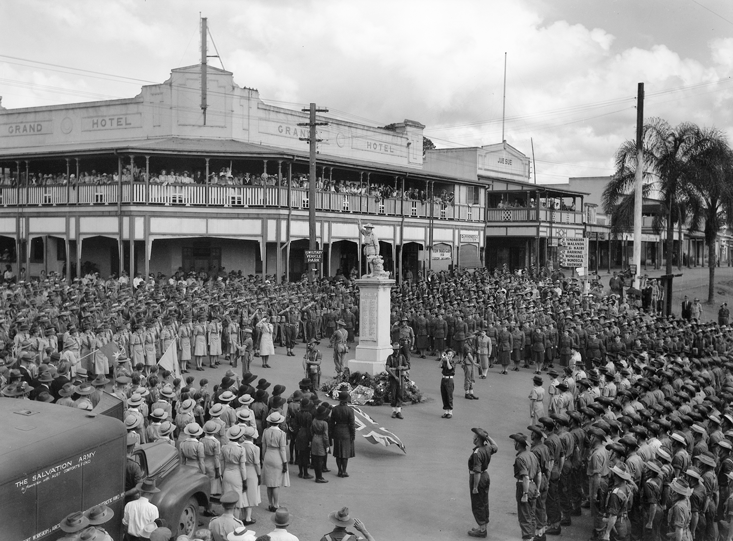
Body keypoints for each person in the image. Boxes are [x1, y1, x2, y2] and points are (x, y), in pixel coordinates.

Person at [467, 427, 499, 538]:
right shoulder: (487, 448)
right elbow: (496, 446)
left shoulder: (477, 452)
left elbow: (477, 471)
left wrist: (475, 486)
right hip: (486, 476)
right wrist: (488, 437)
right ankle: (483, 526)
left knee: (477, 503)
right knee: (484, 501)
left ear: (477, 439)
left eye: (474, 436)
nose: (473, 438)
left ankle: (481, 530)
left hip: (478, 478)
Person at [510, 432, 541, 541]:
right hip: (533, 486)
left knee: (524, 517)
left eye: (515, 442)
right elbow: (538, 474)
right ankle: (532, 537)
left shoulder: (520, 458)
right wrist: (537, 488)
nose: (514, 444)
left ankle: (528, 538)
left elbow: (525, 477)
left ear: (518, 444)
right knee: (532, 515)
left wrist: (525, 493)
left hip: (524, 486)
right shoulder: (532, 455)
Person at [262, 411, 290, 511]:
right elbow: (282, 449)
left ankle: (270, 503)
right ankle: (276, 504)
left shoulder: (265, 431)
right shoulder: (281, 434)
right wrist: (285, 462)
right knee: (276, 483)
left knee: (269, 483)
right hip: (277, 456)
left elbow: (264, 445)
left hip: (268, 455)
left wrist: (263, 457)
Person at [329, 391, 356, 478]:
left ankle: (339, 470)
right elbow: (352, 424)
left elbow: (332, 422)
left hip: (337, 430)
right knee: (345, 453)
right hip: (346, 431)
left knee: (338, 452)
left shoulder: (335, 409)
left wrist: (331, 433)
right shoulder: (350, 410)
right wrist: (353, 435)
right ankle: (344, 470)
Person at [385, 341, 408, 419]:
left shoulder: (402, 357)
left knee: (400, 393)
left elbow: (407, 366)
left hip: (400, 376)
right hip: (393, 377)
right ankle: (394, 411)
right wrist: (394, 376)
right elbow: (387, 368)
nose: (396, 351)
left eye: (397, 349)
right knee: (393, 393)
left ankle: (399, 411)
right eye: (395, 350)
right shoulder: (390, 357)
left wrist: (402, 368)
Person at [439, 349, 455, 419]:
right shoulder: (444, 361)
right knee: (444, 395)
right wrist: (442, 359)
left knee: (449, 395)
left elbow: (450, 367)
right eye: (447, 354)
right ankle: (446, 411)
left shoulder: (453, 362)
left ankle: (450, 412)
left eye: (449, 354)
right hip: (444, 379)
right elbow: (439, 366)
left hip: (449, 379)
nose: (448, 355)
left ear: (452, 355)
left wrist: (447, 360)